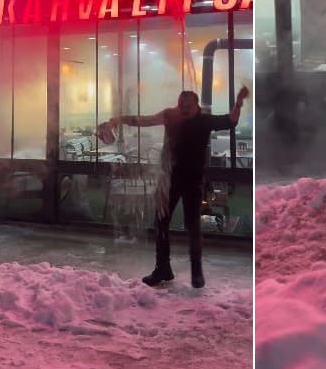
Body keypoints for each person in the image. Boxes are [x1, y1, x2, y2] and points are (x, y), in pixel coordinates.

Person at [106, 86, 249, 289]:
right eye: (180, 105)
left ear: (196, 106)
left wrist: (238, 102)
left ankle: (196, 272)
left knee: (193, 226)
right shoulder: (170, 115)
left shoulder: (205, 120)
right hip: (169, 179)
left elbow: (231, 120)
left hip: (193, 181)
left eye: (187, 107)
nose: (182, 110)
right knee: (160, 222)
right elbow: (143, 120)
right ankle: (162, 268)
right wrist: (119, 119)